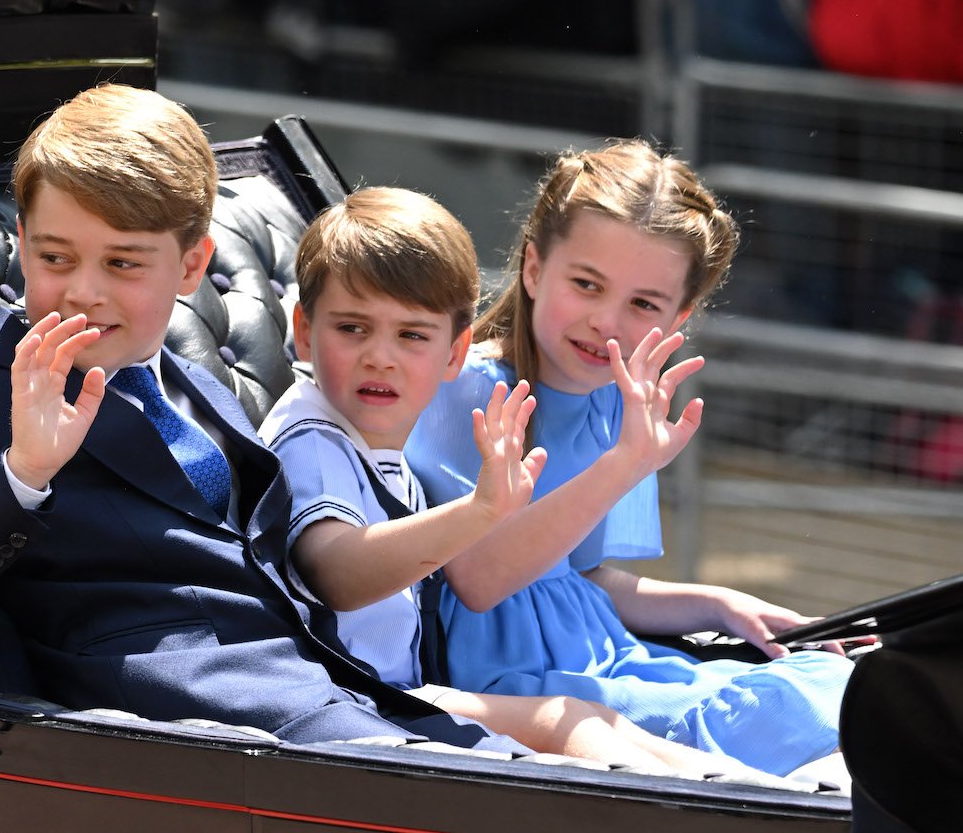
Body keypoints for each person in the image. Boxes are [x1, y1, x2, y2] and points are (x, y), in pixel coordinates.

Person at [0, 83, 535, 754]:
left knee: (557, 770)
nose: (83, 289)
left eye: (122, 262)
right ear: (20, 242)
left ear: (192, 264)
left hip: (321, 688)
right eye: (55, 257)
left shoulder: (195, 384)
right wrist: (23, 472)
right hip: (186, 729)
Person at [258, 186, 764, 775]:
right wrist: (480, 510)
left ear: (452, 352)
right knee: (563, 720)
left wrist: (716, 602)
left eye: (412, 336)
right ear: (303, 329)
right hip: (355, 700)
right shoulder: (315, 436)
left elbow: (581, 576)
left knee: (599, 722)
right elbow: (337, 574)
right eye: (352, 328)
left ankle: (762, 794)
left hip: (395, 688)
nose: (381, 357)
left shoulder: (371, 435)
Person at [405, 139, 855, 778]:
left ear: (680, 316)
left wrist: (722, 604)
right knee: (805, 713)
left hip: (612, 658)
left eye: (644, 304)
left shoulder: (617, 403)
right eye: (586, 285)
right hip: (521, 686)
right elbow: (477, 583)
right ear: (533, 269)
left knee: (836, 675)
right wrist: (623, 463)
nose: (607, 321)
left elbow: (581, 579)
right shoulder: (469, 390)